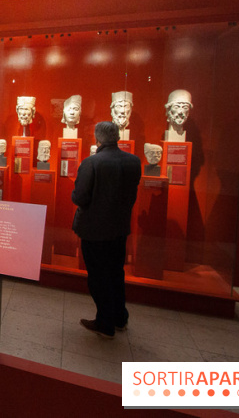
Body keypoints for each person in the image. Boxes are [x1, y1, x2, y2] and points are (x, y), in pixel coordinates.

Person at [71, 121, 141, 338]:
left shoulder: (92, 163)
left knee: (98, 276)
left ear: (97, 139)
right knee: (115, 273)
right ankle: (120, 317)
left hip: (95, 229)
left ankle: (105, 322)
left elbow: (80, 197)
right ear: (117, 136)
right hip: (119, 227)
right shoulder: (134, 161)